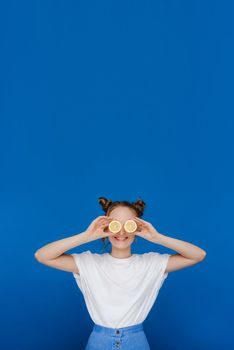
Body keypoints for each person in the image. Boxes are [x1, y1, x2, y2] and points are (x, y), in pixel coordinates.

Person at [34, 197, 207, 349]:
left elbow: (198, 255)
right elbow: (42, 256)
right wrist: (86, 236)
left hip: (136, 342)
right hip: (98, 342)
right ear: (107, 226)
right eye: (115, 224)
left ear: (137, 228)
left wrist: (157, 237)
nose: (122, 231)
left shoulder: (152, 263)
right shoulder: (88, 263)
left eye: (128, 225)